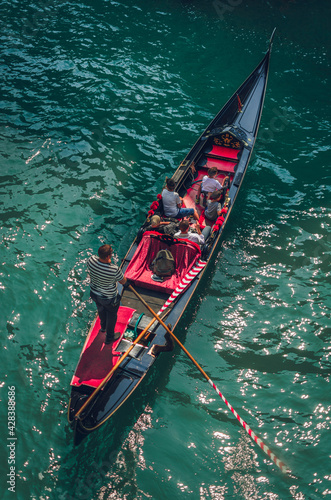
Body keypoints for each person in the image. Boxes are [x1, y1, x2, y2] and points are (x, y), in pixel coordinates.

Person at [87, 244, 128, 344]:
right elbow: (123, 281)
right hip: (109, 298)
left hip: (94, 294)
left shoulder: (91, 260)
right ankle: (110, 337)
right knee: (112, 315)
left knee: (101, 309)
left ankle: (103, 327)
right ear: (108, 256)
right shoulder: (114, 269)